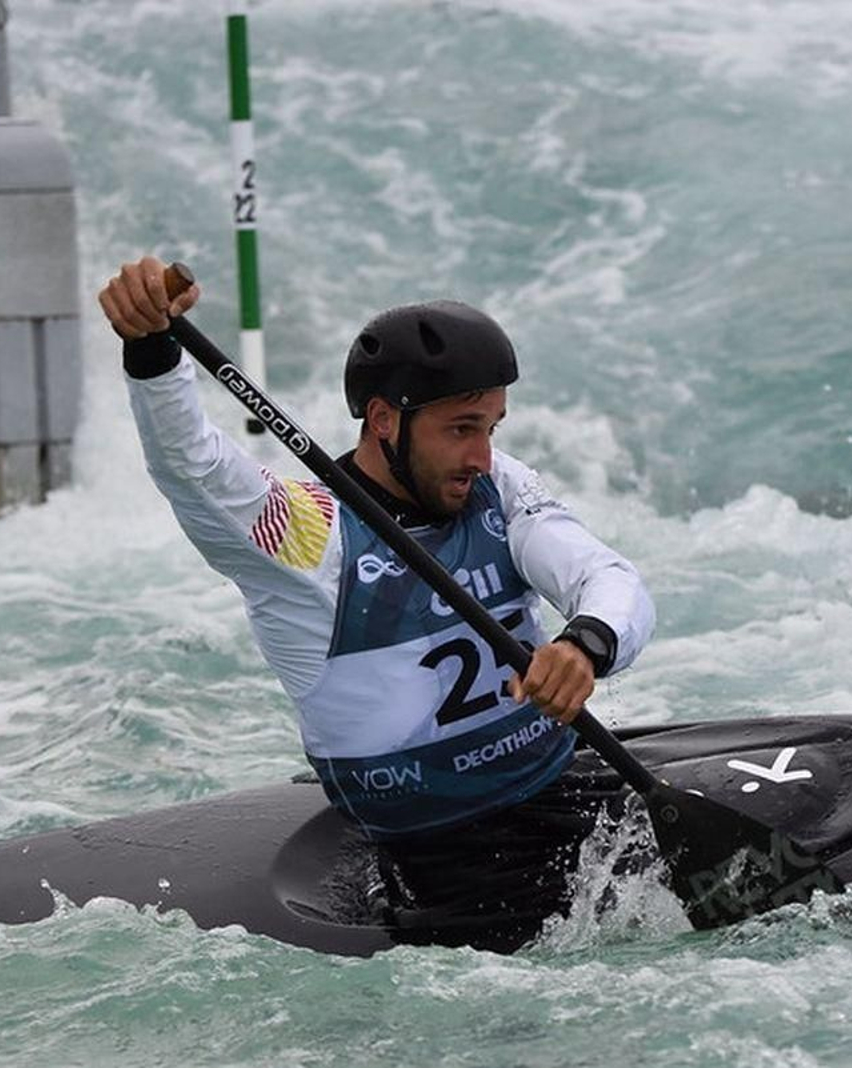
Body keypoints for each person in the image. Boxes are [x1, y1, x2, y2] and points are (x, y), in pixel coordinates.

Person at [98, 256, 655, 949]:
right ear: (386, 420)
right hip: (447, 863)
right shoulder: (309, 538)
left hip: (567, 786)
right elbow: (193, 467)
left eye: (492, 428)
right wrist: (153, 349)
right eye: (461, 428)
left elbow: (604, 574)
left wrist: (586, 643)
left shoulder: (496, 487)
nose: (483, 455)